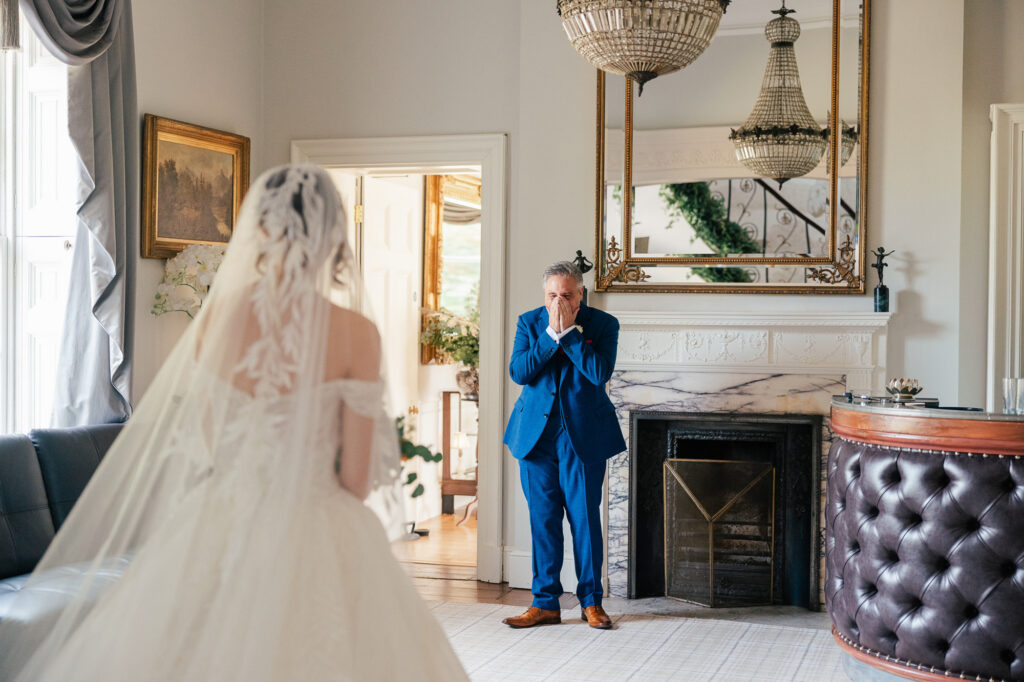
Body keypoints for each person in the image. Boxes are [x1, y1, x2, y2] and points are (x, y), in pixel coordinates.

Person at [0, 164, 468, 681]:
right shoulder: (355, 333)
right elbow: (356, 479)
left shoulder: (216, 322)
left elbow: (208, 444)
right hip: (315, 523)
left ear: (259, 229)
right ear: (331, 237)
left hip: (223, 516)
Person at [501, 261, 626, 630]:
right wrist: (549, 336)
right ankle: (545, 604)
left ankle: (591, 602)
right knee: (543, 521)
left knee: (585, 520)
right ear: (545, 294)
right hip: (535, 438)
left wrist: (568, 334)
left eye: (567, 295)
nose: (558, 302)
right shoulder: (529, 322)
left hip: (582, 437)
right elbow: (519, 372)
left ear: (580, 294)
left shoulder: (604, 325)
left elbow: (599, 373)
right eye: (552, 295)